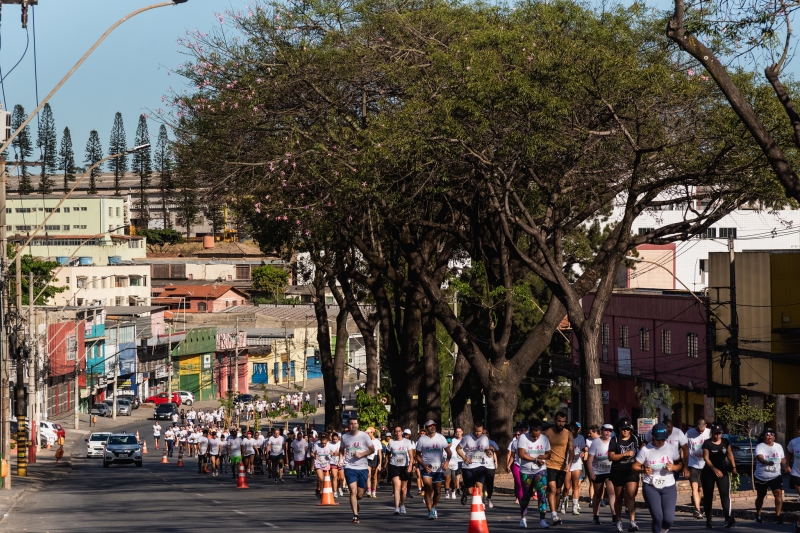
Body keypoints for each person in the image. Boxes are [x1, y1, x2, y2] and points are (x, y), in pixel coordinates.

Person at [633, 423, 683, 533]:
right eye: (658, 439)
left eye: (663, 439)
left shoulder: (671, 448)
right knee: (658, 518)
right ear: (653, 436)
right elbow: (634, 466)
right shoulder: (646, 450)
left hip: (669, 486)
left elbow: (680, 464)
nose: (661, 442)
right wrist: (643, 470)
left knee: (668, 520)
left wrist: (674, 467)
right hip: (651, 486)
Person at [701, 423, 736, 528]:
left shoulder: (725, 442)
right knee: (708, 496)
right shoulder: (707, 443)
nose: (718, 435)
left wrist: (734, 467)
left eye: (719, 433)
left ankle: (728, 518)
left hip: (723, 472)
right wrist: (714, 469)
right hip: (708, 472)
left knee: (725, 495)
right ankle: (708, 519)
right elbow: (706, 458)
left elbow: (730, 454)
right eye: (716, 433)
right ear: (712, 433)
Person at [517, 420, 551, 529]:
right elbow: (521, 454)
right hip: (526, 471)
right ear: (529, 431)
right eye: (533, 436)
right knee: (526, 495)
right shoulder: (523, 438)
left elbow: (548, 453)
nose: (536, 438)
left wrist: (543, 457)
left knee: (542, 494)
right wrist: (535, 459)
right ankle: (523, 518)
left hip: (540, 470)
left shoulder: (544, 438)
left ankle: (542, 520)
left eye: (537, 436)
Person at [608, 418, 640, 532]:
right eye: (623, 429)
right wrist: (624, 454)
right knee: (619, 497)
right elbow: (611, 457)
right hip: (618, 471)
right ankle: (618, 520)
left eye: (627, 429)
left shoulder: (635, 438)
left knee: (631, 495)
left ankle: (632, 522)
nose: (625, 431)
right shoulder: (614, 440)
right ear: (619, 429)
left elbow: (641, 452)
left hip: (631, 470)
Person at [415, 420, 452, 520]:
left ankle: (434, 507)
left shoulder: (441, 438)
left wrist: (447, 462)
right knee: (427, 487)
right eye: (430, 426)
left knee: (438, 491)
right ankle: (430, 511)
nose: (432, 427)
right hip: (426, 468)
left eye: (434, 425)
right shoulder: (422, 440)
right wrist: (423, 464)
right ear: (426, 428)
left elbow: (449, 452)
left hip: (438, 468)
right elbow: (417, 455)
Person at [341, 418, 375, 524]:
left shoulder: (364, 436)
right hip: (349, 467)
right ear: (348, 425)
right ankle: (355, 515)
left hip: (362, 467)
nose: (353, 426)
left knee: (359, 494)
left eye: (355, 424)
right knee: (353, 491)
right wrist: (340, 459)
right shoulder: (344, 437)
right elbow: (341, 449)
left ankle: (356, 502)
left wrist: (361, 454)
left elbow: (372, 449)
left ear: (358, 425)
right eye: (351, 424)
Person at [544, 412, 574, 526]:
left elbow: (571, 451)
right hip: (549, 465)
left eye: (563, 421)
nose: (561, 423)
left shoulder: (568, 434)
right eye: (559, 421)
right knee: (552, 489)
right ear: (555, 420)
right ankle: (553, 514)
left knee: (557, 491)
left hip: (562, 466)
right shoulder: (547, 433)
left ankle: (554, 512)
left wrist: (569, 464)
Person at [754, 428, 787, 524]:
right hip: (761, 476)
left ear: (774, 436)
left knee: (778, 494)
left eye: (771, 434)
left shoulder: (778, 446)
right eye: (767, 434)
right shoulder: (760, 446)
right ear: (764, 436)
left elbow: (782, 458)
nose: (769, 436)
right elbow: (759, 457)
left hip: (776, 475)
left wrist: (785, 465)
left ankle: (778, 516)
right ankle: (759, 514)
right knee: (761, 496)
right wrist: (767, 462)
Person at [456, 422, 493, 505]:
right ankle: (465, 492)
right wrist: (465, 458)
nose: (478, 433)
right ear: (473, 430)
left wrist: (488, 452)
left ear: (482, 430)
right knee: (470, 490)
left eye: (480, 431)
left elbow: (486, 449)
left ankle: (480, 504)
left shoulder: (485, 438)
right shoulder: (466, 438)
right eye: (476, 431)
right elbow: (458, 449)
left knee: (479, 487)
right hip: (468, 467)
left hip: (480, 465)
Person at [588, 423, 616, 524]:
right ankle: (596, 516)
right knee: (598, 494)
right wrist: (591, 472)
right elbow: (590, 459)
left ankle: (614, 515)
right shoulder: (596, 442)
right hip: (597, 471)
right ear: (602, 431)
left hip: (609, 471)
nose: (608, 432)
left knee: (611, 491)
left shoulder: (613, 441)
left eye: (610, 431)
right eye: (606, 430)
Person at [685, 419, 711, 519]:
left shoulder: (709, 432)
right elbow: (685, 448)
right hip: (693, 464)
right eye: (699, 430)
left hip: (705, 464)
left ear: (706, 425)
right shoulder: (689, 433)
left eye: (702, 430)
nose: (700, 432)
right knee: (694, 487)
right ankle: (697, 509)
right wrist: (685, 466)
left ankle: (698, 507)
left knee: (701, 488)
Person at [386, 425, 415, 515]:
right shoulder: (391, 443)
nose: (397, 433)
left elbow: (411, 456)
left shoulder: (407, 442)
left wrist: (410, 465)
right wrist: (385, 465)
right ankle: (396, 507)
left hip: (404, 466)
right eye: (396, 431)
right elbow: (387, 454)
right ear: (394, 433)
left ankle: (402, 505)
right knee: (397, 487)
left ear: (401, 432)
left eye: (399, 431)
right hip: (394, 465)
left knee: (403, 489)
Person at [565, 422, 586, 515]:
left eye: (575, 429)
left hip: (577, 463)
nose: (573, 431)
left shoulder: (581, 438)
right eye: (571, 429)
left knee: (576, 485)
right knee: (566, 486)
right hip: (567, 463)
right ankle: (564, 502)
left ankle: (575, 506)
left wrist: (582, 452)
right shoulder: (565, 437)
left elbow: (583, 448)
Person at [312, 432, 336, 498]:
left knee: (323, 479)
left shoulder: (329, 445)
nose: (324, 445)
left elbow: (335, 452)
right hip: (318, 463)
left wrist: (332, 453)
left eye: (325, 443)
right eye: (322, 443)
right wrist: (314, 456)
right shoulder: (317, 445)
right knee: (321, 478)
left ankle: (319, 489)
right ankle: (320, 490)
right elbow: (312, 453)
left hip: (326, 463)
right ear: (320, 442)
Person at [445, 427, 464, 500]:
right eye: (447, 442)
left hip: (456, 464)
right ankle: (447, 492)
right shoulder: (444, 448)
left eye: (449, 442)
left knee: (454, 480)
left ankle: (453, 490)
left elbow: (459, 452)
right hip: (447, 465)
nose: (448, 443)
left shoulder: (455, 447)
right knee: (447, 478)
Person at [484, 429, 500, 509]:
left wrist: (493, 449)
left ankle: (489, 498)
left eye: (486, 433)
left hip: (490, 466)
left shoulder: (492, 442)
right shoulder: (478, 442)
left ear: (488, 434)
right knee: (481, 483)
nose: (484, 434)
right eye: (483, 433)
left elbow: (498, 452)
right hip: (481, 465)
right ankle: (482, 501)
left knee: (490, 485)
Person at [508, 427, 524, 505]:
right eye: (518, 434)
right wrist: (508, 465)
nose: (520, 435)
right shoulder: (514, 443)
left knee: (526, 484)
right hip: (516, 465)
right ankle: (521, 501)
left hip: (526, 467)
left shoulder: (530, 442)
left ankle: (524, 498)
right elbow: (512, 456)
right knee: (519, 483)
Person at [365, 427, 383, 497]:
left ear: (372, 433)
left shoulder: (377, 442)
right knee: (368, 475)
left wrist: (380, 463)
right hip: (368, 458)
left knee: (375, 476)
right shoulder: (366, 441)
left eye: (368, 433)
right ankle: (369, 490)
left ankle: (374, 491)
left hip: (375, 458)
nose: (367, 434)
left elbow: (380, 453)